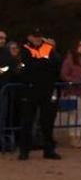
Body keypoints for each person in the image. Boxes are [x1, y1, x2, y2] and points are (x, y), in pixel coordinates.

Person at [15, 30, 61, 160]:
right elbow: (25, 68)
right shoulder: (24, 49)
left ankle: (49, 150)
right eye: (34, 36)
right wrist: (43, 64)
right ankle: (24, 151)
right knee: (27, 122)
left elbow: (56, 65)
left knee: (47, 122)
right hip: (30, 90)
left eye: (39, 36)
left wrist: (37, 64)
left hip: (46, 90)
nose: (37, 39)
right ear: (29, 37)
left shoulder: (49, 48)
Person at [59, 39, 81, 148]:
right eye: (80, 45)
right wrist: (73, 82)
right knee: (74, 114)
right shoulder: (69, 60)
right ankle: (72, 136)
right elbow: (64, 74)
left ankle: (78, 136)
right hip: (73, 91)